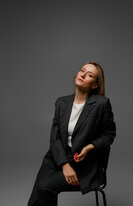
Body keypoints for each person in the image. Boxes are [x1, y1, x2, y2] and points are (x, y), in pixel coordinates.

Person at [27, 62, 116, 206]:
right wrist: (64, 164)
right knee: (40, 188)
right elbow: (55, 138)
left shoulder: (101, 104)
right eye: (82, 70)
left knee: (44, 187)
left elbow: (109, 134)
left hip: (85, 164)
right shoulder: (61, 103)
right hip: (58, 158)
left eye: (90, 75)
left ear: (94, 85)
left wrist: (89, 147)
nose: (83, 74)